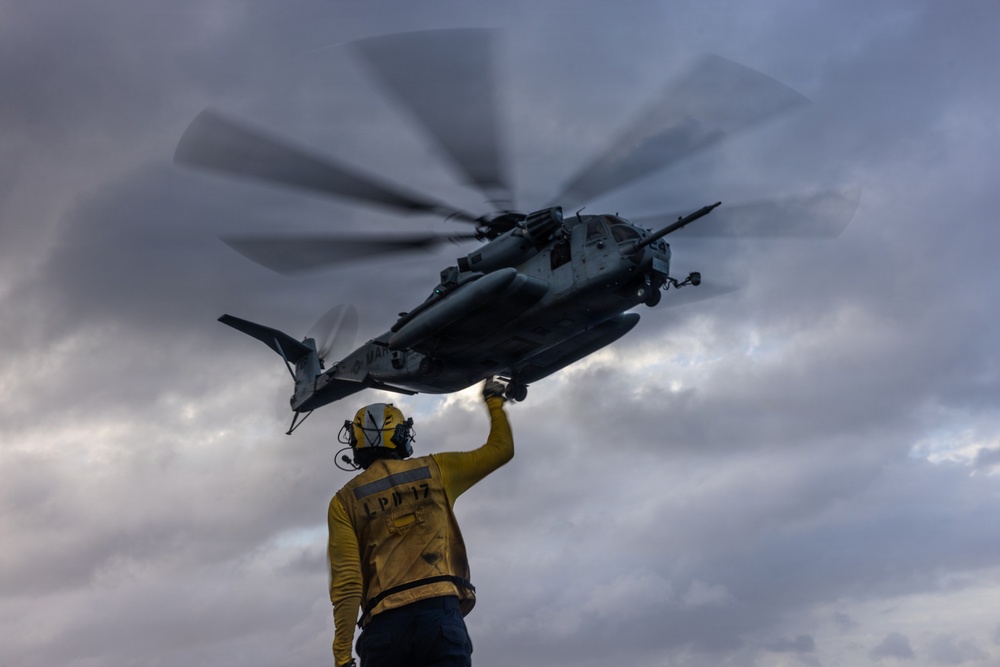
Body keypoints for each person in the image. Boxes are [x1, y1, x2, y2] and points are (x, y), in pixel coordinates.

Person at [327, 379, 514, 667]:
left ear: (355, 443)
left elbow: (348, 584)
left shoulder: (344, 501)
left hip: (384, 629)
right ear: (402, 438)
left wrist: (342, 657)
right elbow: (501, 449)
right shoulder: (437, 470)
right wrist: (493, 400)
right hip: (440, 618)